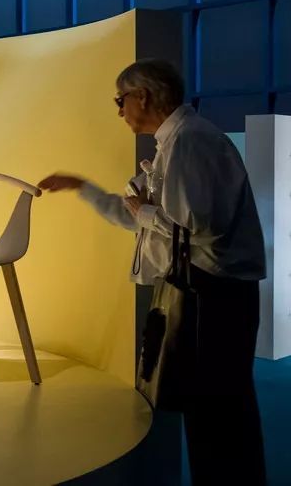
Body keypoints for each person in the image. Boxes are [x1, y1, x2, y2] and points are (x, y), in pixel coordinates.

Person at [38, 58, 266, 485]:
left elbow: (199, 225)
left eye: (120, 100)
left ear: (142, 97)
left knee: (218, 409)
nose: (120, 111)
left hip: (214, 292)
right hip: (206, 289)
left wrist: (144, 211)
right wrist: (85, 189)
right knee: (211, 408)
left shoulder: (190, 141)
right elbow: (138, 217)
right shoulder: (177, 142)